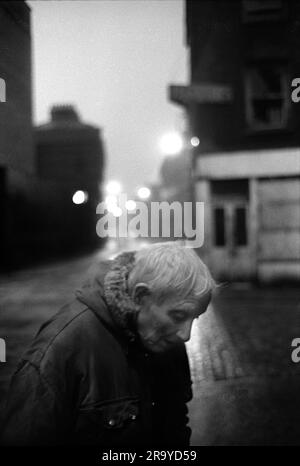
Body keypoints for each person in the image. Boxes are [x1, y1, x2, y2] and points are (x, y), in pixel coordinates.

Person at [1, 242, 215, 446]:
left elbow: (175, 425)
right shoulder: (59, 350)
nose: (185, 335)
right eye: (178, 315)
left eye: (194, 318)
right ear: (140, 296)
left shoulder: (166, 342)